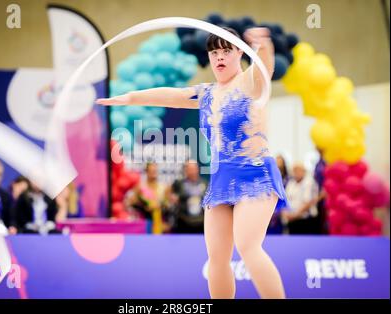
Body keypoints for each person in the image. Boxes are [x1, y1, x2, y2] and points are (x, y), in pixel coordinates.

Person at [97, 27, 289, 298]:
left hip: (254, 173)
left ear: (238, 54)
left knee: (248, 247)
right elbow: (169, 96)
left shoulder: (249, 82)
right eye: (214, 52)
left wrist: (264, 45)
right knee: (217, 258)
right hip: (222, 178)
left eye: (226, 50)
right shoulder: (207, 94)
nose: (219, 57)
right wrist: (129, 98)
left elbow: (264, 67)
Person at [126, 162, 168, 234]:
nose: (153, 173)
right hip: (144, 221)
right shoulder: (140, 186)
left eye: (155, 171)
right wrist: (142, 205)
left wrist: (159, 206)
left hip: (159, 221)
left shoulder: (163, 187)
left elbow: (167, 204)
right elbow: (130, 202)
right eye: (151, 171)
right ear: (147, 172)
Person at [166, 160, 207, 233]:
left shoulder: (204, 183)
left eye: (194, 169)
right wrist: (172, 198)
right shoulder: (179, 183)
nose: (192, 171)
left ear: (197, 169)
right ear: (185, 170)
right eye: (189, 169)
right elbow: (169, 192)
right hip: (183, 222)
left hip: (201, 222)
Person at [281, 162, 320, 234]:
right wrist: (284, 213)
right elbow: (285, 200)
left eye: (298, 170)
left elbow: (308, 203)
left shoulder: (309, 182)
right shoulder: (291, 183)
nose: (296, 173)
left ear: (304, 171)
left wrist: (295, 215)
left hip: (306, 221)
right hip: (291, 221)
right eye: (294, 171)